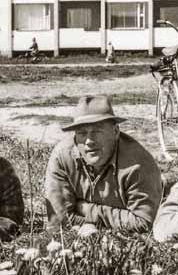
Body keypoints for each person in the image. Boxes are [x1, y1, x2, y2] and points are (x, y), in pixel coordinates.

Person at [44, 95, 162, 233]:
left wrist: (87, 210)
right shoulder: (62, 157)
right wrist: (98, 225)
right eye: (82, 133)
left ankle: (165, 184)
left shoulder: (138, 164)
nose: (89, 141)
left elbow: (144, 222)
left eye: (97, 131)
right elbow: (59, 219)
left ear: (115, 132)